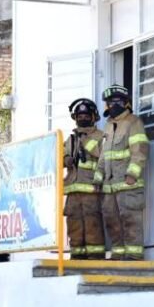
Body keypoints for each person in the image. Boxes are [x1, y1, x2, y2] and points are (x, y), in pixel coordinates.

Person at [93, 85, 149, 261]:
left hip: (127, 185)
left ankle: (133, 256)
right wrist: (97, 179)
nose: (113, 105)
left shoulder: (133, 122)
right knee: (112, 222)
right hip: (109, 188)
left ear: (126, 103)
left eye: (117, 101)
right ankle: (118, 255)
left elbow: (140, 150)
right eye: (110, 102)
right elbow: (103, 157)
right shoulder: (108, 127)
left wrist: (132, 174)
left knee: (130, 220)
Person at [63, 98, 105, 260]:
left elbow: (102, 155)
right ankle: (77, 256)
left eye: (86, 115)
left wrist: (85, 140)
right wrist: (66, 157)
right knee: (74, 224)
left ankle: (95, 257)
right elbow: (58, 156)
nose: (82, 118)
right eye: (79, 116)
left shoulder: (101, 136)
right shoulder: (71, 139)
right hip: (73, 191)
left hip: (92, 190)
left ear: (94, 117)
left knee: (92, 223)